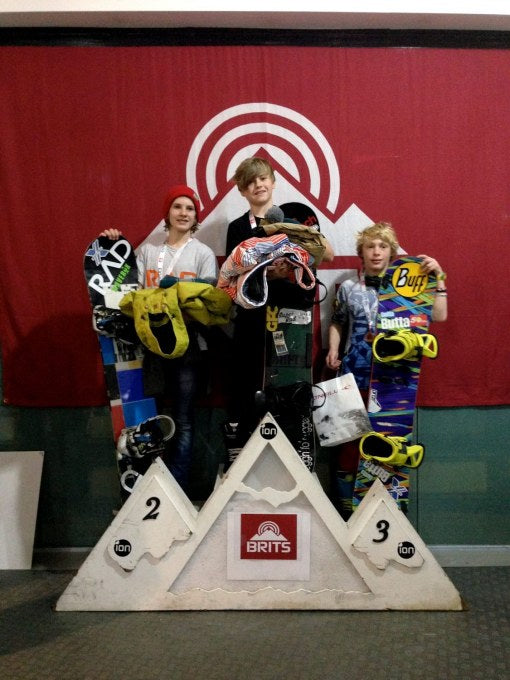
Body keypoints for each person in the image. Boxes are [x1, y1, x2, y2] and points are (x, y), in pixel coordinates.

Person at [100, 184, 219, 495]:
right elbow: (129, 290)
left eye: (190, 209)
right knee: (150, 416)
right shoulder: (149, 252)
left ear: (196, 217)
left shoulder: (203, 253)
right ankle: (152, 487)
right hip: (150, 346)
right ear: (167, 213)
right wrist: (112, 245)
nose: (184, 213)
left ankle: (176, 491)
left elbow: (209, 300)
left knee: (183, 419)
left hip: (188, 346)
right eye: (178, 206)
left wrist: (177, 290)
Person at [325, 221, 447, 518]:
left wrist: (439, 279)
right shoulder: (350, 288)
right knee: (349, 444)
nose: (376, 252)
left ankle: (382, 509)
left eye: (383, 246)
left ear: (392, 252)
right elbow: (338, 322)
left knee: (386, 443)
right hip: (354, 374)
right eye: (370, 246)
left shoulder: (408, 291)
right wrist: (333, 349)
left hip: (392, 379)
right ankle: (347, 514)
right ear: (362, 252)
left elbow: (440, 316)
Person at [223, 156, 334, 456]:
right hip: (252, 318)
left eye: (262, 178)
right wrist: (268, 272)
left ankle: (292, 451)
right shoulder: (237, 227)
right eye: (250, 182)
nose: (258, 185)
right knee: (247, 385)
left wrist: (293, 261)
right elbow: (233, 273)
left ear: (273, 182)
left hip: (291, 317)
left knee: (288, 387)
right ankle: (243, 453)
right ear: (242, 190)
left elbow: (326, 254)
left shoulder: (294, 217)